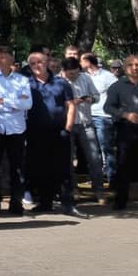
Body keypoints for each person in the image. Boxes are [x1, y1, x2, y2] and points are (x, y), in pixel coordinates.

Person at [24, 51, 84, 218]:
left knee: (64, 170)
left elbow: (71, 105)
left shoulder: (61, 83)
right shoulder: (26, 84)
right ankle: (45, 203)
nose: (37, 65)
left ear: (47, 63)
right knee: (41, 169)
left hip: (59, 132)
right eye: (33, 63)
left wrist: (68, 127)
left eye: (40, 62)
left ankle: (68, 205)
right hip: (35, 133)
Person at [0, 46, 33, 216]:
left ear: (11, 59)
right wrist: (14, 102)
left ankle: (16, 202)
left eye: (3, 57)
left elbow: (27, 104)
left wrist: (3, 100)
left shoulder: (22, 80)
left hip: (16, 129)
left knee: (17, 168)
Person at [104, 55, 138, 211]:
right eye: (131, 64)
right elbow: (108, 107)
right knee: (124, 165)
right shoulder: (117, 86)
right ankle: (121, 200)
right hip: (125, 130)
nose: (135, 67)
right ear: (125, 67)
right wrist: (125, 114)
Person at [61, 57, 105, 203]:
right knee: (67, 158)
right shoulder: (58, 81)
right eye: (70, 73)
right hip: (67, 124)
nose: (73, 76)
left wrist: (90, 99)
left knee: (94, 158)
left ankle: (99, 190)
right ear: (64, 71)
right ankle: (73, 189)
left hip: (86, 122)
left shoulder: (85, 78)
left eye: (75, 73)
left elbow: (97, 96)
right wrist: (72, 103)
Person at [83, 53, 119, 188]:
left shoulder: (108, 76)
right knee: (91, 150)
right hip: (86, 116)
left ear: (88, 62)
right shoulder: (83, 76)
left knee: (106, 148)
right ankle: (95, 180)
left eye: (82, 60)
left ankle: (112, 179)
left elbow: (117, 93)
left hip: (103, 116)